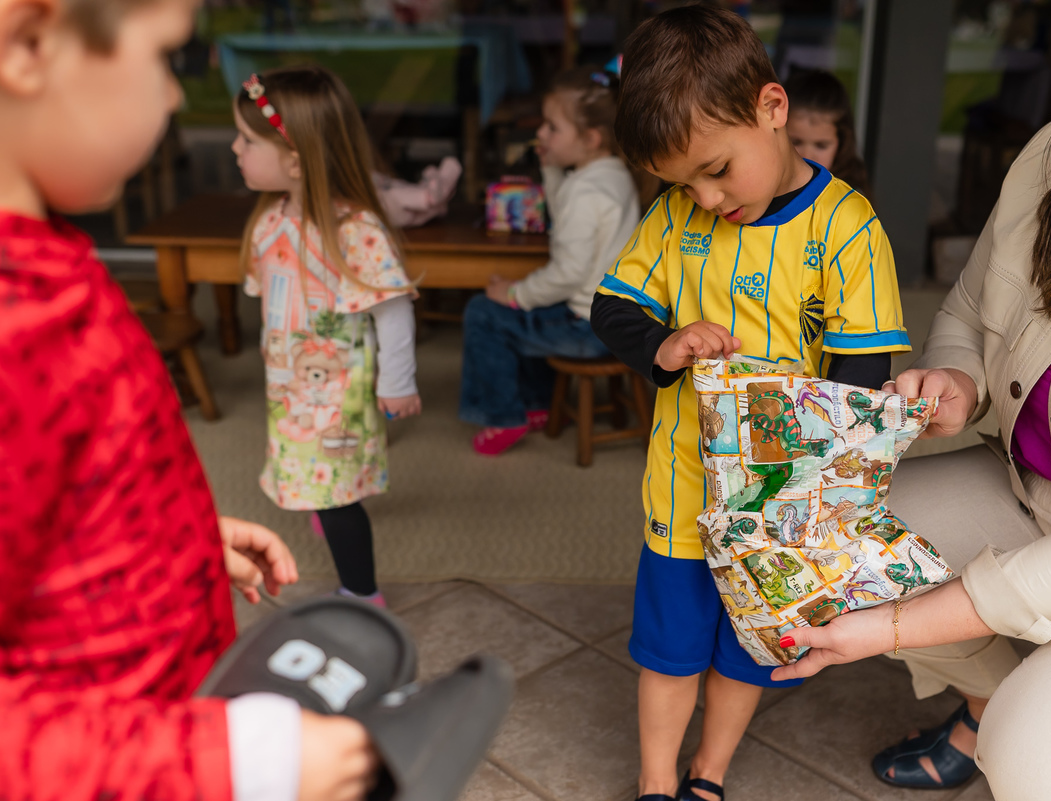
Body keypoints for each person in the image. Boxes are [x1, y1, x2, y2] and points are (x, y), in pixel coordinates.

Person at [770, 0, 1051, 798]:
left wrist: (885, 629)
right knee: (826, 532)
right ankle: (988, 706)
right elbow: (966, 308)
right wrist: (959, 378)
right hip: (1034, 494)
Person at [0, 0, 377, 798]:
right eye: (164, 58)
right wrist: (235, 762)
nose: (174, 99)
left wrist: (169, 537)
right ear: (31, 43)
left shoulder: (46, 260)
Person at [588, 8, 911, 800]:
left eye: (717, 170)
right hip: (683, 489)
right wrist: (663, 346)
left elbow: (863, 372)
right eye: (681, 183)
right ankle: (655, 780)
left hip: (779, 506)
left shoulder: (847, 227)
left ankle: (709, 772)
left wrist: (809, 475)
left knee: (745, 652)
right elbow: (613, 309)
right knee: (669, 649)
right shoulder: (673, 220)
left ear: (773, 109)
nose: (703, 196)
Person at [234, 65, 420, 608]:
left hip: (337, 398)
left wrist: (398, 382)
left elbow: (391, 310)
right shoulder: (270, 222)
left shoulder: (353, 230)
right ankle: (324, 501)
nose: (234, 150)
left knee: (338, 500)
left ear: (294, 159)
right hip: (291, 389)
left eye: (247, 141)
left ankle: (362, 596)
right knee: (316, 480)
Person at [459, 66, 640, 455]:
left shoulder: (584, 192)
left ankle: (504, 416)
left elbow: (567, 273)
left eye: (552, 127)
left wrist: (514, 294)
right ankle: (539, 404)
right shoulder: (610, 176)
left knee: (483, 312)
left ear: (591, 139)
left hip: (586, 329)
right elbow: (566, 214)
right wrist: (551, 167)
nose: (541, 133)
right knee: (537, 305)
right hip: (615, 321)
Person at [783, 68, 870, 196]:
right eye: (795, 142)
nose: (807, 156)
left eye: (821, 146)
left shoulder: (850, 200)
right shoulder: (763, 188)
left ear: (842, 143)